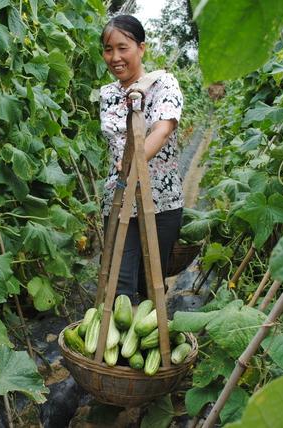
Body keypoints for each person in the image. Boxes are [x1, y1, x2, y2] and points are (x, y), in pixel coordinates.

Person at [99, 15, 184, 303]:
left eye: (123, 48)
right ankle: (118, 344)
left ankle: (157, 341)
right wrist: (124, 174)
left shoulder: (164, 84)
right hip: (119, 199)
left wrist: (133, 165)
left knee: (150, 284)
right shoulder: (107, 94)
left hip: (160, 201)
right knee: (119, 286)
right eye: (108, 49)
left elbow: (162, 129)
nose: (115, 57)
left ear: (141, 48)